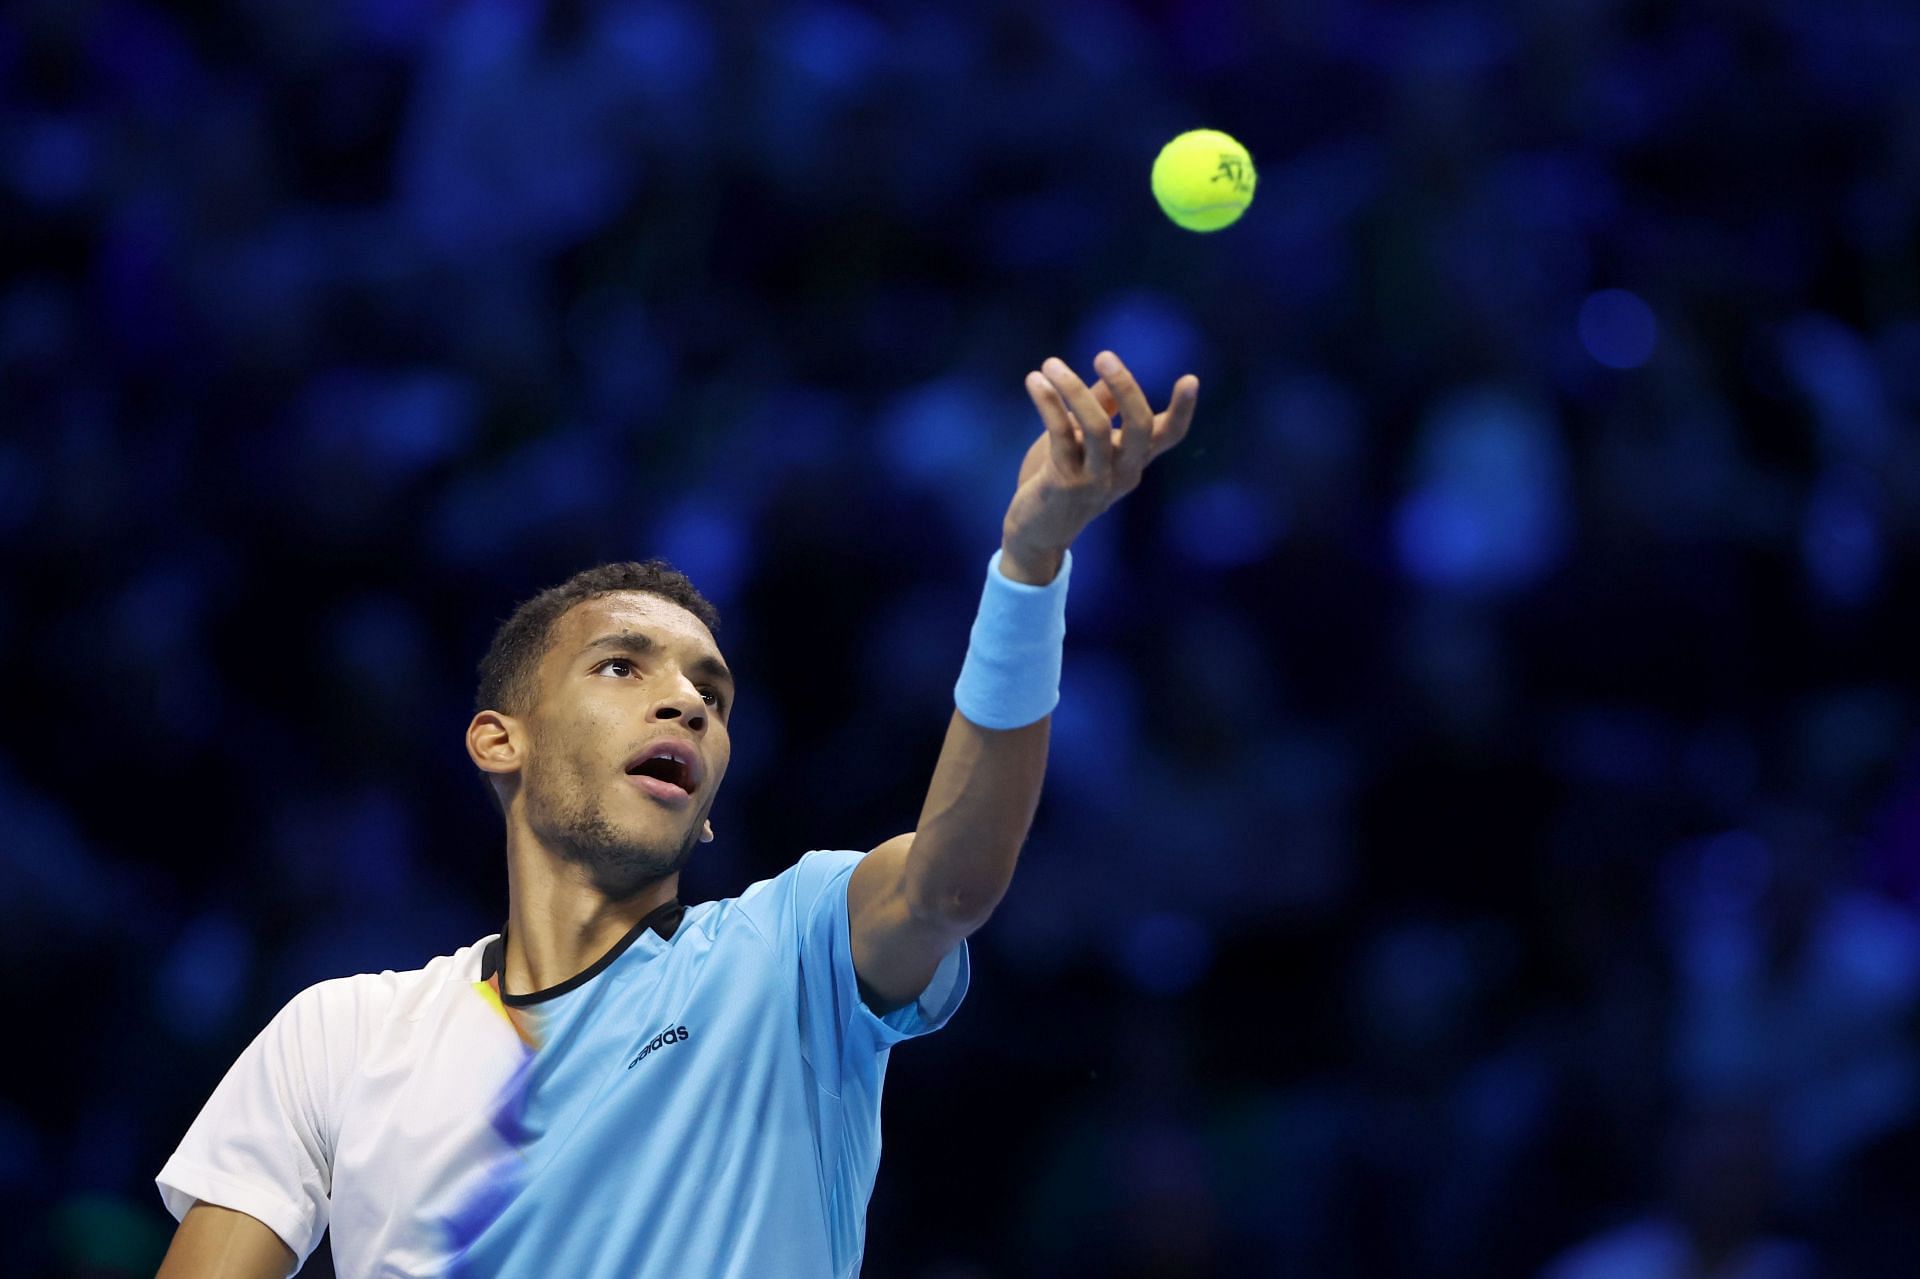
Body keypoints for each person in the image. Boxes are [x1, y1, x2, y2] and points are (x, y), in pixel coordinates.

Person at [151, 351, 1199, 1277]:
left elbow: (954, 881)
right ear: (498, 741)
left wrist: (1028, 568)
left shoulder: (791, 957)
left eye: (713, 693)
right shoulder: (337, 1038)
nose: (687, 701)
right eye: (622, 666)